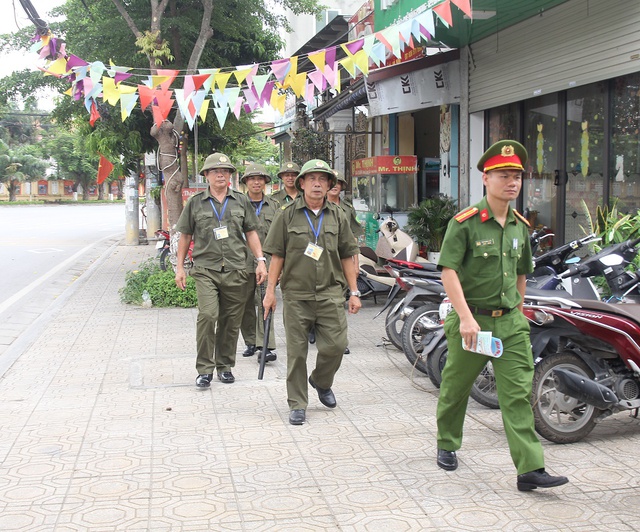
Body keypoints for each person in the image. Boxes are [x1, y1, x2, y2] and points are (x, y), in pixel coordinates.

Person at [435, 140, 569, 492]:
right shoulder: (465, 223)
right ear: (485, 179)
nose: (512, 182)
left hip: (509, 323)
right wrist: (464, 317)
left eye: (516, 177)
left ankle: (530, 468)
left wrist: (519, 312)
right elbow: (448, 271)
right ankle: (447, 442)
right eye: (503, 175)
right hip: (472, 322)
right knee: (456, 388)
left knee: (517, 394)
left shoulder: (520, 226)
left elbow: (522, 272)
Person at [262, 159, 361, 426]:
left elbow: (348, 255)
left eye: (323, 179)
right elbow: (277, 255)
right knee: (296, 353)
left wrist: (354, 292)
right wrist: (270, 292)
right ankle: (297, 403)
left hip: (330, 294)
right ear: (302, 183)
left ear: (330, 185)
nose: (317, 184)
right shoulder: (287, 214)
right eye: (312, 179)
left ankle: (320, 381)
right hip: (296, 295)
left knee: (337, 346)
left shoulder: (338, 215)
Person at [175, 152, 267, 388]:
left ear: (230, 176)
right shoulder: (195, 203)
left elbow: (251, 232)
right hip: (206, 269)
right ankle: (204, 369)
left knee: (230, 321)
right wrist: (179, 268)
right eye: (215, 171)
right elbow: (185, 236)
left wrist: (260, 260)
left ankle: (224, 366)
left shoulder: (240, 200)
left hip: (237, 268)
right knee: (208, 315)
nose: (220, 175)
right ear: (206, 175)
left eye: (225, 171)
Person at [238, 163, 279, 363]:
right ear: (245, 182)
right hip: (241, 260)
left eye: (260, 178)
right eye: (252, 178)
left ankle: (266, 346)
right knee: (243, 303)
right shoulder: (237, 204)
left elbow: (281, 236)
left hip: (268, 261)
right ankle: (251, 341)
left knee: (266, 301)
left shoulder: (274, 206)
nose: (256, 182)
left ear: (265, 182)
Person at [327, 169, 365, 354]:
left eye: (338, 183)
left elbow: (353, 239)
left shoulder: (348, 208)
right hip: (321, 260)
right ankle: (313, 329)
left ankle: (340, 340)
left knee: (339, 301)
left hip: (342, 260)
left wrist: (355, 264)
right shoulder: (317, 205)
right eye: (332, 183)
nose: (335, 186)